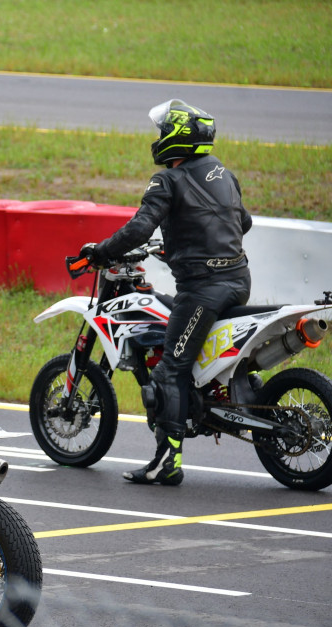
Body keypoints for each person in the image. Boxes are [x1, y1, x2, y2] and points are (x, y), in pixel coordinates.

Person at [82, 99, 252, 486]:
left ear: (175, 138)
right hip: (238, 280)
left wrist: (102, 252)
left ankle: (167, 461)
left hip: (203, 288)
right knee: (189, 356)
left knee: (170, 368)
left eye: (162, 132)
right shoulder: (223, 173)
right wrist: (185, 241)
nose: (158, 138)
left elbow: (139, 228)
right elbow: (243, 222)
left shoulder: (167, 181)